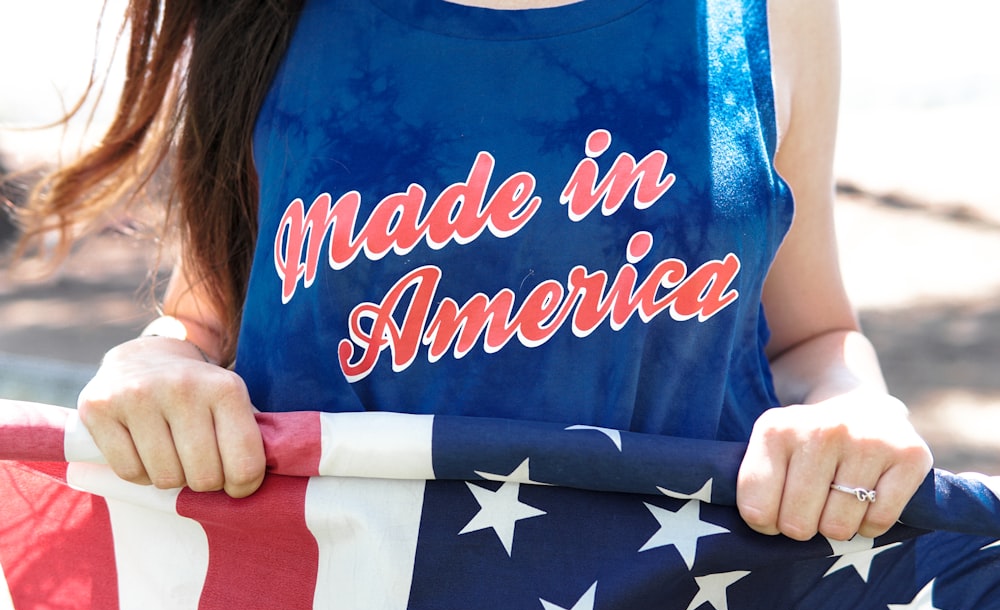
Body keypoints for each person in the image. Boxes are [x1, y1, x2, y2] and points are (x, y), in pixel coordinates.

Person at [17, 0, 931, 550]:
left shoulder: (769, 14)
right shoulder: (267, 14)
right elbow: (207, 318)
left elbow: (812, 336)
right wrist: (154, 363)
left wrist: (848, 409)